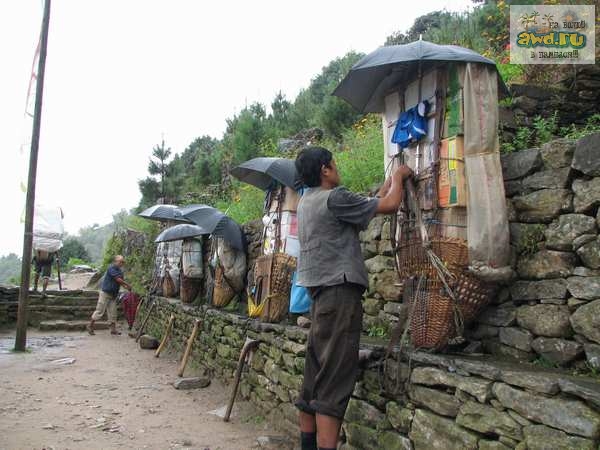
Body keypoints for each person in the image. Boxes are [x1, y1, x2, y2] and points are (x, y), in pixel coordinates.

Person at [294, 146, 412, 450]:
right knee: (333, 383)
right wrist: (399, 174)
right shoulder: (335, 197)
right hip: (340, 295)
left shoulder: (307, 202)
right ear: (325, 169)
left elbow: (371, 202)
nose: (337, 166)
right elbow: (390, 204)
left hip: (320, 298)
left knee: (313, 381)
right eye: (333, 162)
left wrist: (386, 185)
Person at [87, 255, 132, 335]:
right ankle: (90, 326)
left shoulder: (120, 271)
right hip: (105, 293)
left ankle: (113, 330)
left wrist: (126, 287)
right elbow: (118, 279)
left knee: (113, 313)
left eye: (122, 262)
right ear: (115, 261)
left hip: (113, 295)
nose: (121, 263)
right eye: (120, 261)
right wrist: (127, 285)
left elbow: (120, 282)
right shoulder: (111, 268)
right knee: (99, 310)